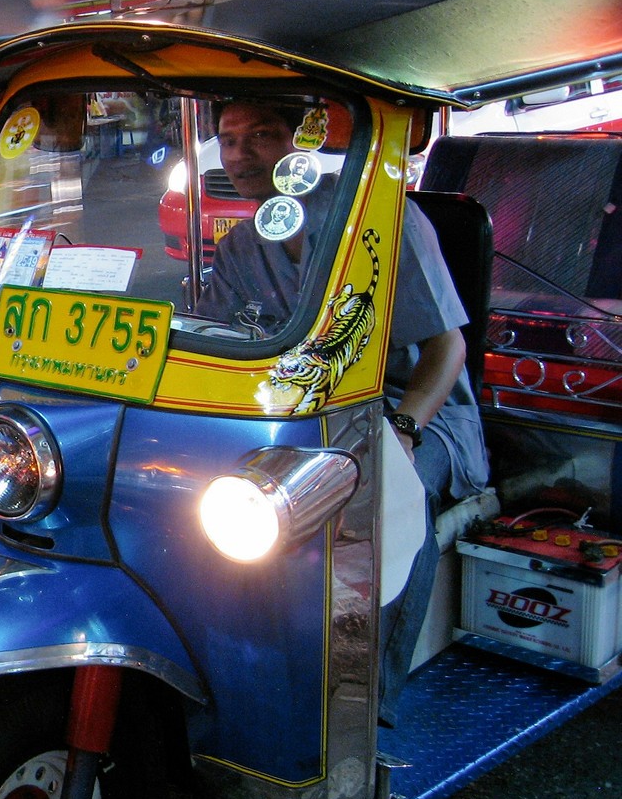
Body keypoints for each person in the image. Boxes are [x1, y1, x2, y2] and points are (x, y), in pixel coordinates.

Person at [198, 99, 489, 727]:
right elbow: (222, 341)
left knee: (386, 495)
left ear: (301, 143)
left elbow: (448, 348)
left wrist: (405, 431)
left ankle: (365, 704)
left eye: (263, 135)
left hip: (416, 409)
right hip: (305, 415)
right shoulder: (243, 244)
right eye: (228, 140)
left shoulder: (386, 222)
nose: (242, 155)